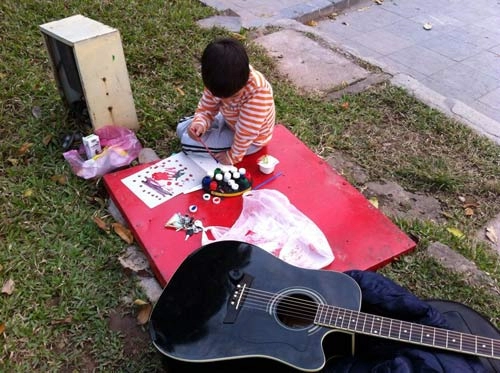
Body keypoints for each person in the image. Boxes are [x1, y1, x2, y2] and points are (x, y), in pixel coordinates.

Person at [176, 37, 276, 165]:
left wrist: (232, 156)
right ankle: (210, 132)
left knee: (187, 143)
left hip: (250, 141)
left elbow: (245, 133)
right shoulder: (218, 77)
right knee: (182, 128)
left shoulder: (257, 93)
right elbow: (207, 107)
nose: (225, 99)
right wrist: (200, 123)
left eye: (233, 96)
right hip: (229, 121)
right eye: (219, 95)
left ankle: (214, 137)